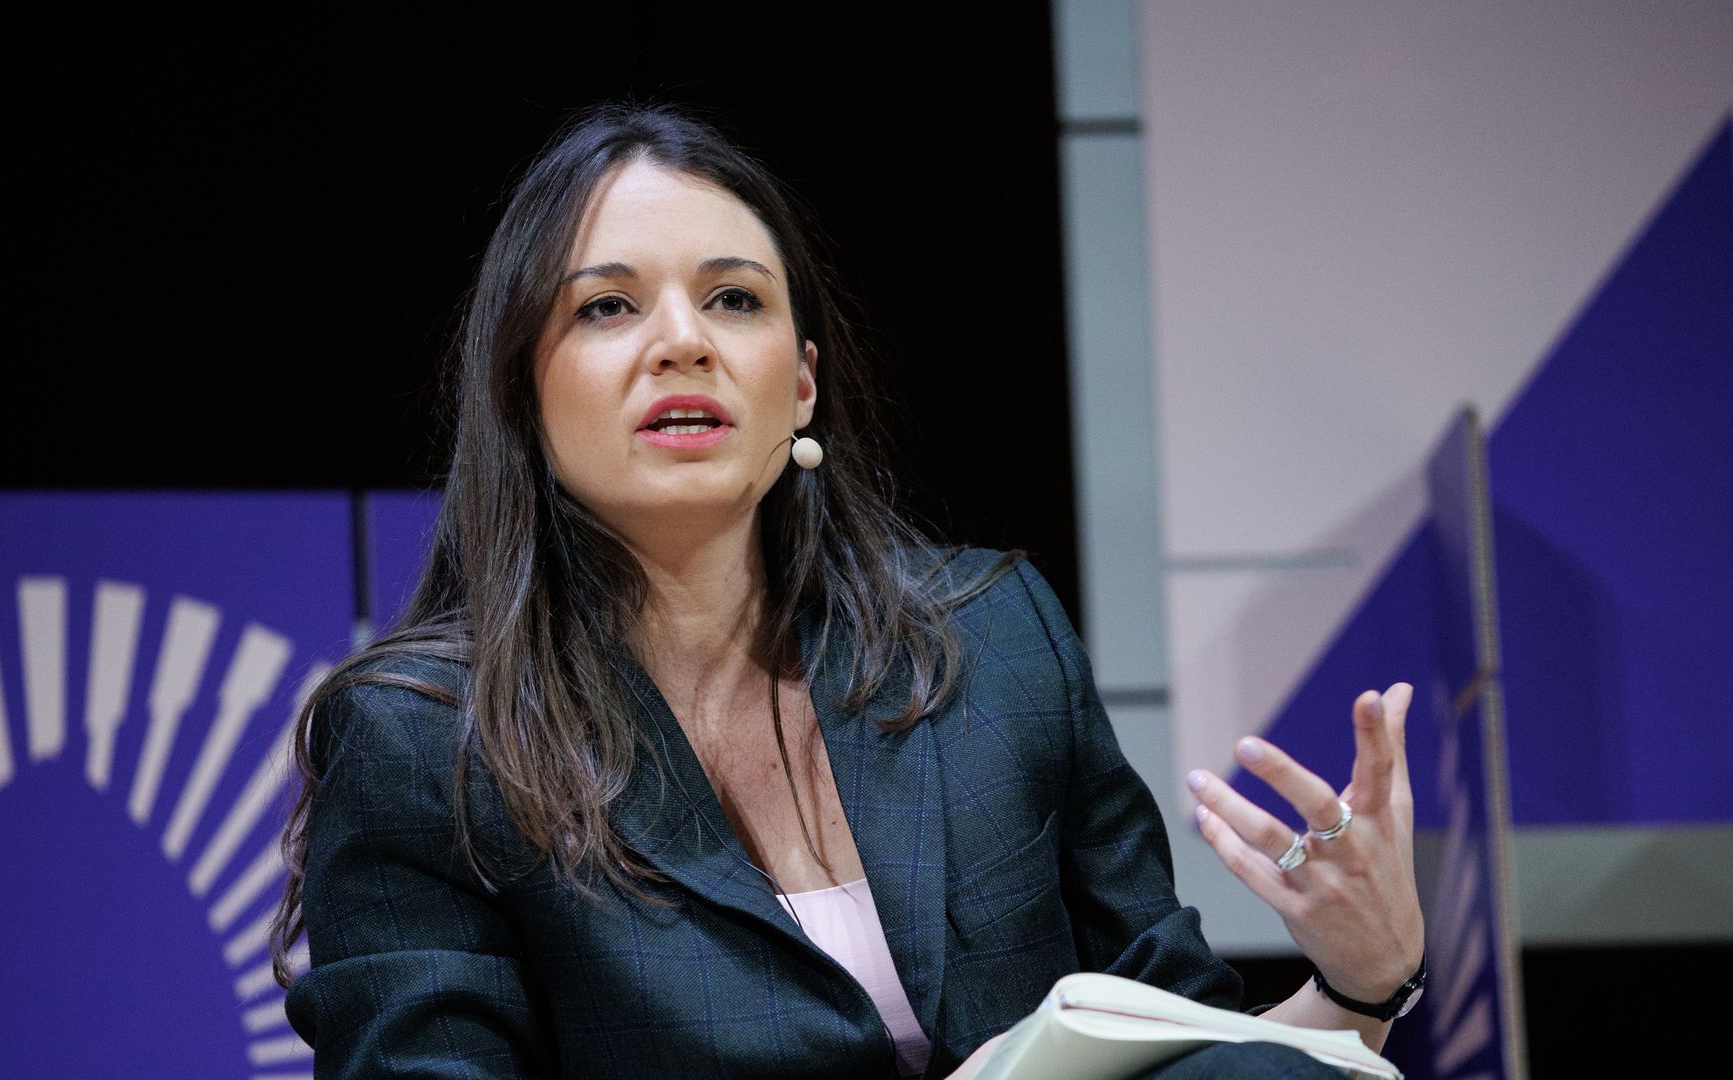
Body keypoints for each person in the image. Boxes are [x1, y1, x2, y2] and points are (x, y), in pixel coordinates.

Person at [269, 103, 1426, 1079]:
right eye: (606, 307)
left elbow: (1183, 1046)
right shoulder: (425, 744)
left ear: (804, 384)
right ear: (523, 394)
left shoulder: (989, 642)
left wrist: (1361, 978)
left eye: (735, 299)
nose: (683, 343)